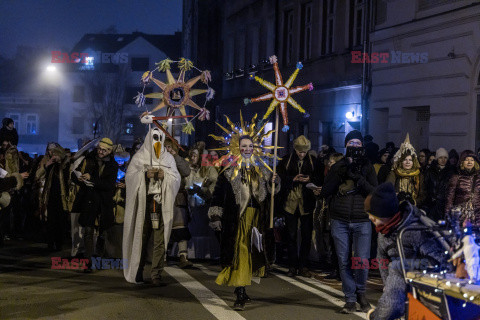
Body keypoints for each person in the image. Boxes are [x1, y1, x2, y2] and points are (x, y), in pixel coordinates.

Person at [208, 130, 280, 311]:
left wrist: (275, 182)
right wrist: (216, 215)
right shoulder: (229, 171)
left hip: (257, 220)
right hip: (237, 220)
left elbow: (270, 195)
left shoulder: (263, 169)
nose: (247, 149)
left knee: (251, 254)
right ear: (237, 148)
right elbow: (218, 195)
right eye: (244, 146)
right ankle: (240, 294)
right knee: (240, 253)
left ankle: (242, 289)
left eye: (250, 146)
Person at [315, 130, 377, 314]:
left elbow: (374, 192)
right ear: (346, 145)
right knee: (343, 260)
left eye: (358, 143)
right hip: (339, 219)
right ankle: (350, 299)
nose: (355, 147)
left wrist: (358, 178)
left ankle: (361, 293)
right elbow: (326, 191)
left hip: (362, 220)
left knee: (362, 260)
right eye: (351, 143)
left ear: (362, 146)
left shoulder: (368, 166)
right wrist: (340, 172)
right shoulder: (338, 166)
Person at [365, 183, 445, 320]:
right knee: (395, 266)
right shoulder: (383, 232)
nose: (369, 218)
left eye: (373, 215)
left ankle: (382, 314)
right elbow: (382, 259)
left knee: (397, 266)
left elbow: (439, 259)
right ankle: (390, 309)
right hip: (400, 283)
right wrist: (387, 285)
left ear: (385, 214)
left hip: (425, 280)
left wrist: (410, 268)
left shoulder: (413, 230)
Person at [123, 125, 180, 284]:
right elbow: (129, 177)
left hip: (161, 204)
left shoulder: (167, 158)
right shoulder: (140, 157)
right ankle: (138, 270)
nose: (157, 141)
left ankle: (156, 274)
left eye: (160, 138)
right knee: (141, 237)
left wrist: (165, 176)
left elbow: (176, 178)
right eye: (154, 138)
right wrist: (144, 175)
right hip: (144, 204)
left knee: (159, 240)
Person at [71, 138, 118, 269]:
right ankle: (88, 260)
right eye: (99, 149)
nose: (100, 152)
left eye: (103, 150)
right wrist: (78, 177)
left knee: (102, 232)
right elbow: (74, 174)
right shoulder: (89, 159)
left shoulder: (113, 165)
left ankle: (98, 256)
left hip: (103, 202)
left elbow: (109, 185)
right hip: (90, 200)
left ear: (109, 151)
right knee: (88, 230)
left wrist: (92, 179)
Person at [277, 135, 318, 277]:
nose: (302, 155)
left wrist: (310, 179)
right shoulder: (286, 160)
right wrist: (292, 179)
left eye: (304, 152)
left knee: (306, 236)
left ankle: (303, 265)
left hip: (306, 203)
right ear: (295, 150)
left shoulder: (313, 161)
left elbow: (319, 177)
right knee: (291, 235)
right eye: (300, 152)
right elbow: (279, 177)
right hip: (291, 202)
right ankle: (292, 266)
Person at [185, 144, 219, 261]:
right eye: (191, 155)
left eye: (195, 156)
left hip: (204, 205)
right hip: (192, 206)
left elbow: (214, 185)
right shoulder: (189, 169)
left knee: (204, 229)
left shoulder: (209, 169)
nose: (192, 158)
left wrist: (203, 190)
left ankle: (206, 253)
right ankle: (193, 254)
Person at [164, 138, 193, 268]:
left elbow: (186, 172)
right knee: (164, 227)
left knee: (181, 228)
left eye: (170, 147)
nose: (168, 150)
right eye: (166, 147)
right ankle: (163, 255)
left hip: (177, 197)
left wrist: (175, 156)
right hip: (164, 196)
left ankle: (183, 256)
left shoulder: (178, 159)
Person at [36, 145, 70, 251]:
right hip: (50, 197)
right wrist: (47, 164)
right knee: (50, 222)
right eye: (50, 151)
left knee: (60, 222)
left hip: (62, 198)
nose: (51, 154)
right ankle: (50, 244)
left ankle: (59, 243)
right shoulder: (49, 164)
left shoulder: (64, 164)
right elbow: (38, 175)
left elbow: (66, 166)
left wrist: (60, 160)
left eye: (53, 152)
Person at [386, 134, 425, 206]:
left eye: (410, 160)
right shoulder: (394, 173)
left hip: (414, 208)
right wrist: (397, 197)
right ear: (401, 161)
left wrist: (414, 202)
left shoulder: (418, 174)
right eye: (405, 160)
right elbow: (387, 190)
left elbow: (422, 194)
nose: (408, 162)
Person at [445, 150, 480, 227]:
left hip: (477, 216)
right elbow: (449, 199)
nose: (469, 162)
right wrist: (447, 215)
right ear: (462, 162)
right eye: (466, 160)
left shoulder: (478, 178)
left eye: (472, 160)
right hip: (461, 216)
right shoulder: (456, 178)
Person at [423, 147, 455, 222]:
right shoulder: (430, 171)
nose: (443, 160)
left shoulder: (451, 172)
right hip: (431, 205)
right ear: (437, 158)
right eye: (440, 157)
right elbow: (425, 187)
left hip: (444, 204)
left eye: (445, 158)